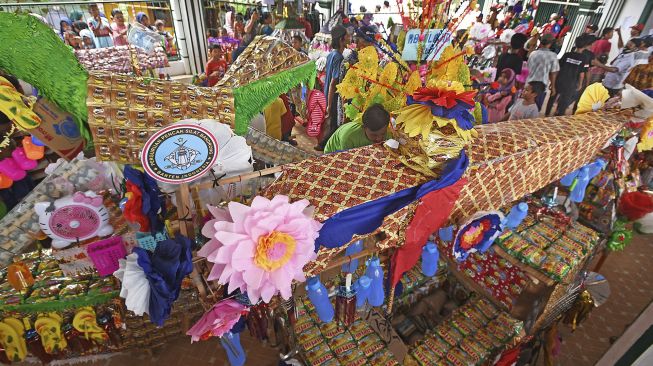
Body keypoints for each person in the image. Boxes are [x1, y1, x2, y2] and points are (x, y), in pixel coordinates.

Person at [315, 25, 349, 151]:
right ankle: (323, 145)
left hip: (327, 93)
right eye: (347, 36)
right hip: (333, 96)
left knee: (332, 122)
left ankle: (323, 144)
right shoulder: (339, 58)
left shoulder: (331, 55)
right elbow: (333, 82)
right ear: (341, 40)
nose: (349, 38)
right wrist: (330, 104)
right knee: (333, 123)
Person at [546, 35, 591, 116]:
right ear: (585, 46)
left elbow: (557, 68)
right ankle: (558, 115)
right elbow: (582, 74)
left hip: (559, 80)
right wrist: (580, 84)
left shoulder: (567, 55)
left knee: (552, 97)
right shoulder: (584, 58)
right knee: (564, 101)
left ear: (575, 44)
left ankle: (546, 115)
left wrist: (552, 82)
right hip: (571, 83)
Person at [324, 104, 390, 153]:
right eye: (374, 135)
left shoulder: (388, 133)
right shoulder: (348, 137)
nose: (379, 138)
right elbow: (347, 158)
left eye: (383, 134)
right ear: (363, 127)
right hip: (334, 152)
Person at [526, 33, 559, 110]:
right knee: (536, 108)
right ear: (550, 43)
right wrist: (553, 86)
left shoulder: (533, 53)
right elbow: (553, 73)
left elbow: (528, 67)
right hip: (542, 85)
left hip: (529, 83)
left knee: (526, 105)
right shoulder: (553, 56)